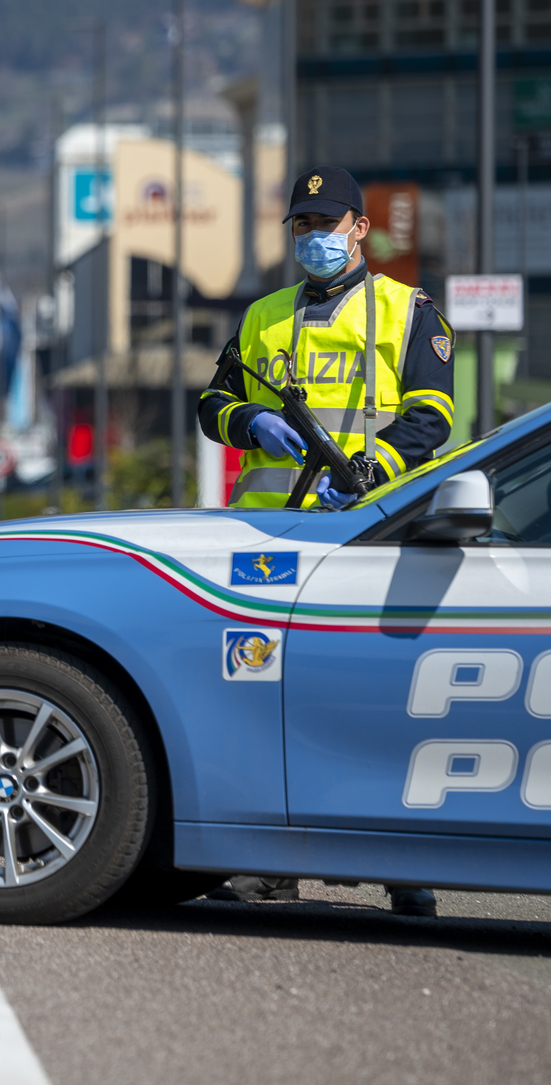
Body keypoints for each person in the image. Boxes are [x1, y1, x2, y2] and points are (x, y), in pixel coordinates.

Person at [198, 164, 454, 919]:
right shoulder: (263, 317)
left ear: (361, 229)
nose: (314, 237)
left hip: (371, 529)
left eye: (327, 223)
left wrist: (375, 465)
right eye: (302, 225)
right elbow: (213, 401)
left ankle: (403, 861)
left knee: (378, 696)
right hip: (271, 536)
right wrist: (248, 423)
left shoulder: (411, 313)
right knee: (260, 696)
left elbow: (434, 414)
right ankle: (268, 862)